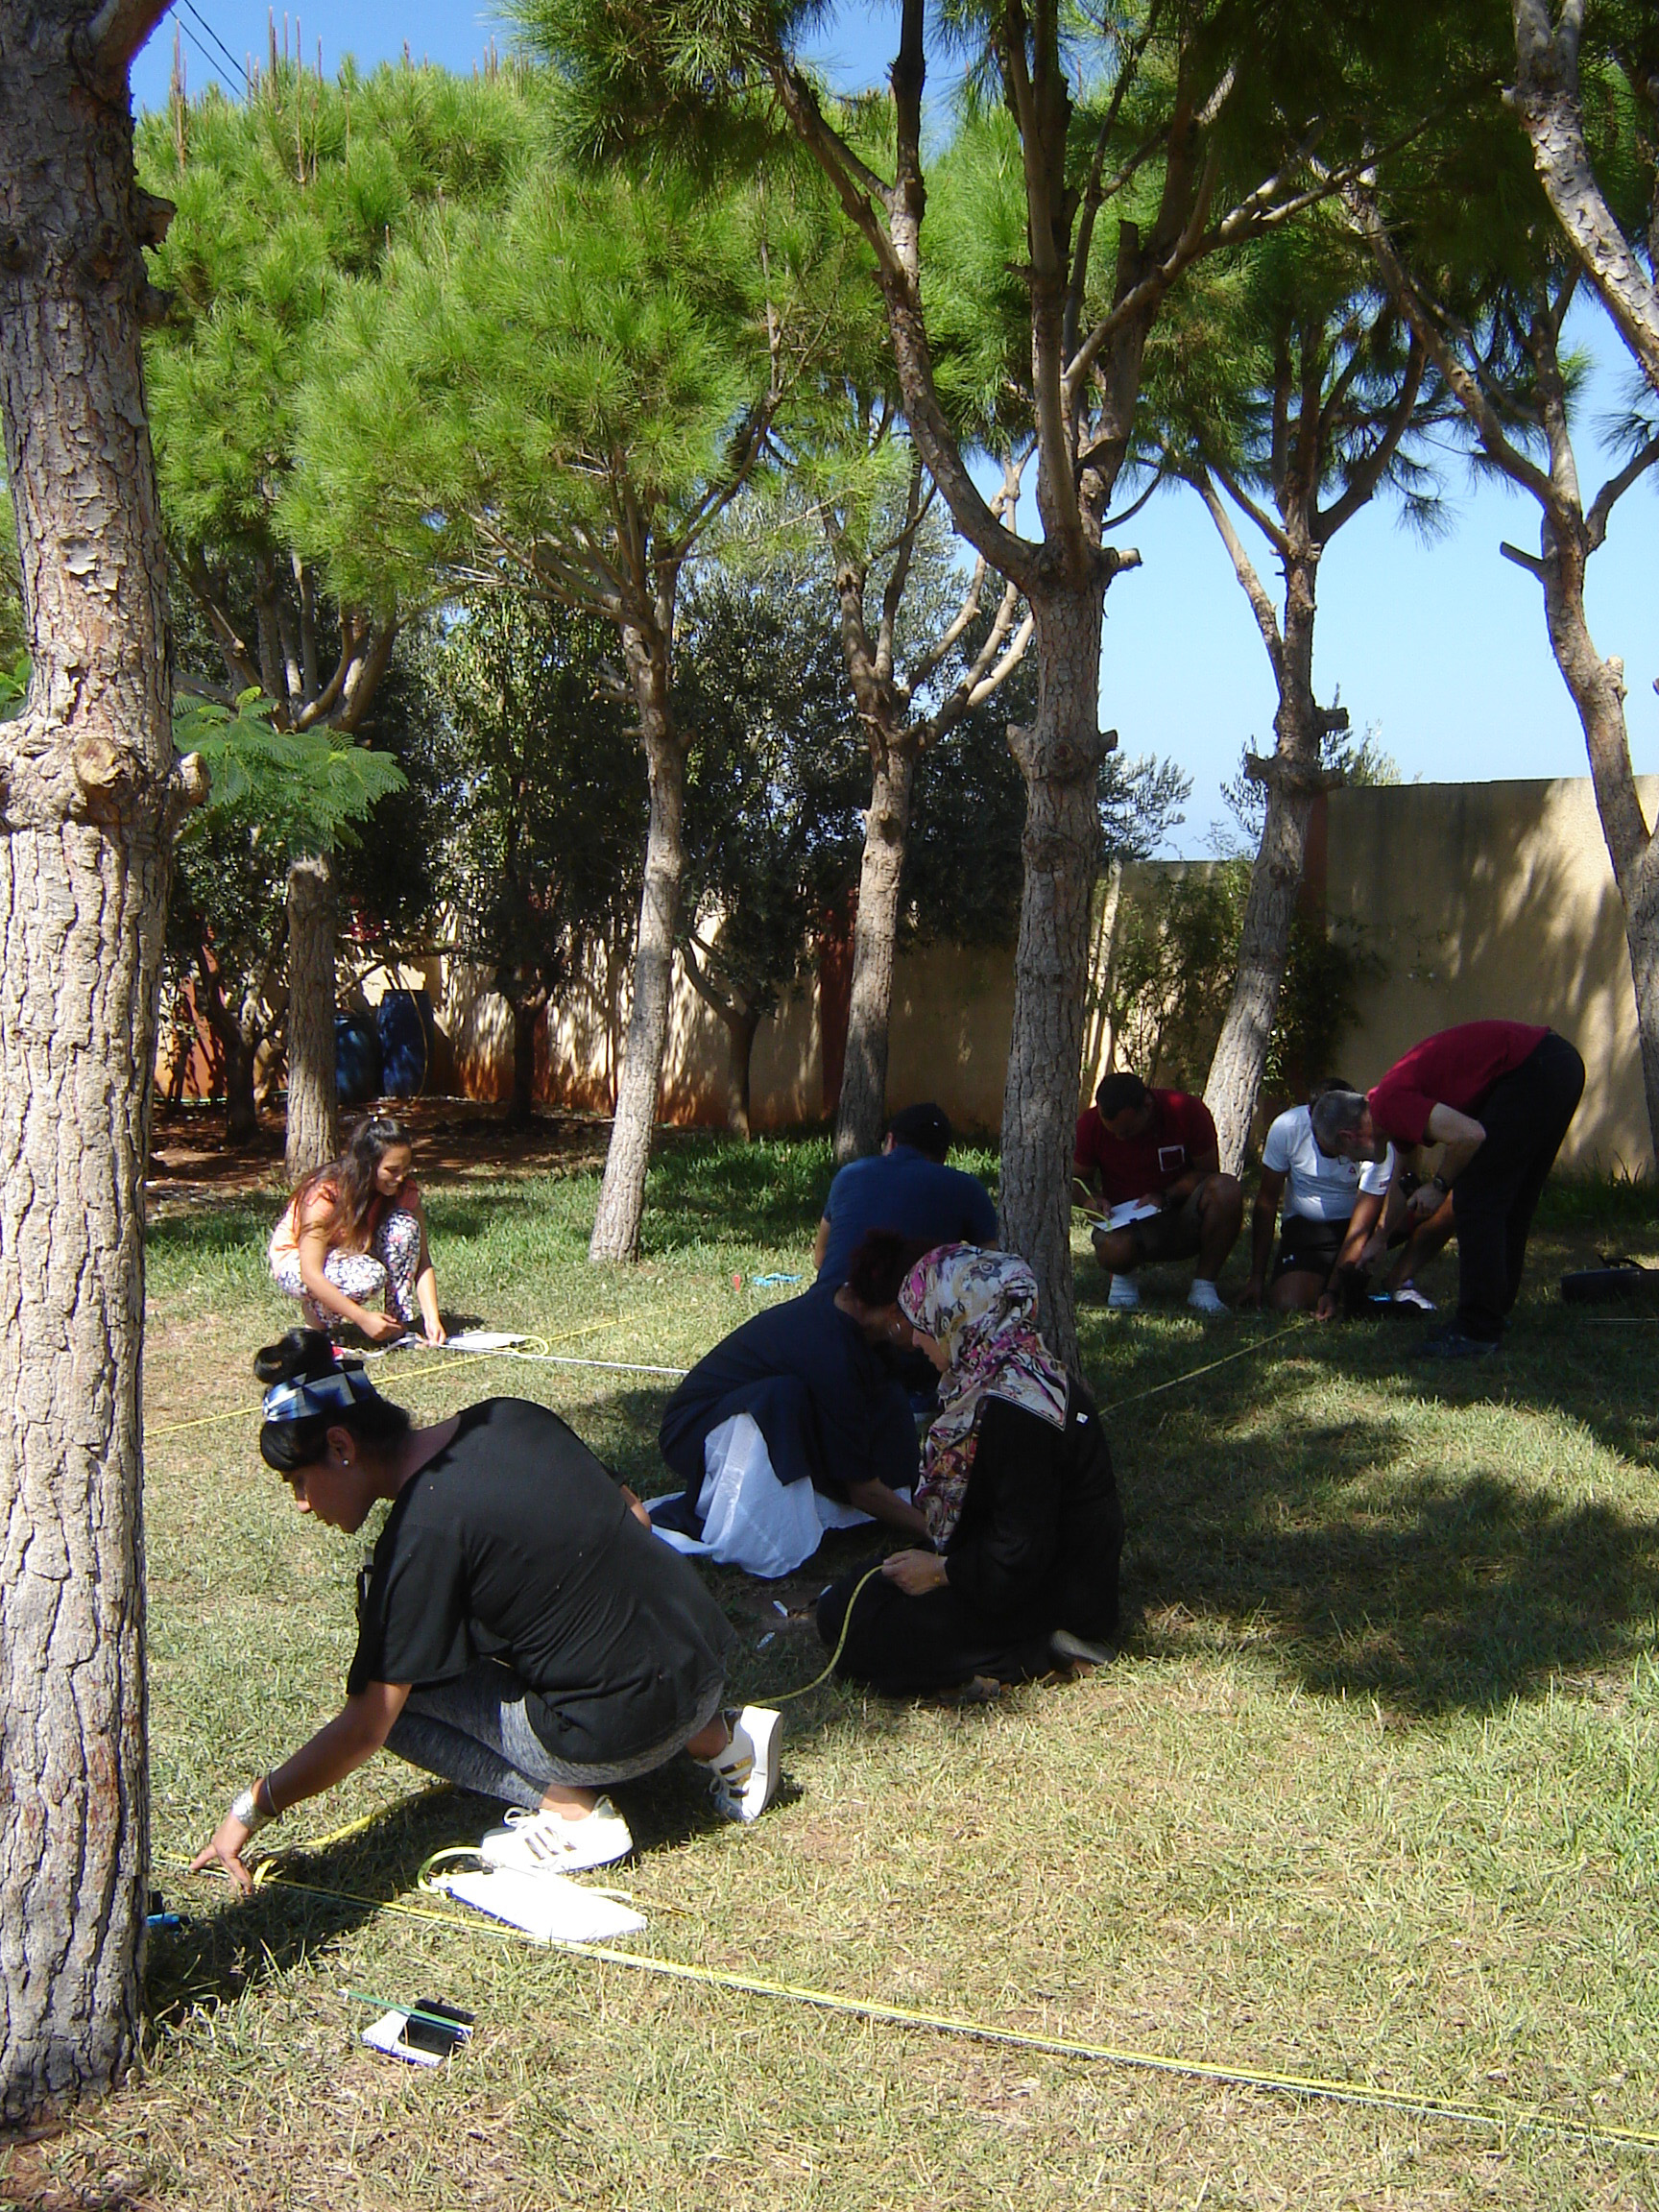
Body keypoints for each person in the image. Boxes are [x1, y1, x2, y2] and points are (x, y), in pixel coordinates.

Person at [191, 1331, 781, 1896]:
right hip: (699, 1664)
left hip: (623, 1730)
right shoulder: (507, 1415)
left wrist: (253, 1807)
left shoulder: (421, 1533)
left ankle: (571, 1813)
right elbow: (638, 1520)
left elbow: (365, 1728)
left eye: (298, 1481)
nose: (300, 1504)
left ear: (341, 1448)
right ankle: (722, 1738)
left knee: (400, 1700)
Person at [816, 1244, 1123, 1694]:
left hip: (1054, 1592)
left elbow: (1021, 1549)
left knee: (868, 1637)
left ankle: (1043, 1652)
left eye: (926, 1325)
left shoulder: (1019, 1409)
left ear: (962, 1321)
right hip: (1012, 1572)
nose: (918, 1341)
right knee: (848, 1600)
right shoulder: (1000, 1377)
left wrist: (943, 1572)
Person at [1310, 1021, 1585, 1358]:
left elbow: (1470, 1136)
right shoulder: (1386, 1110)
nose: (1348, 1162)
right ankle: (1493, 1314)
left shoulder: (1391, 1103)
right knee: (1509, 1202)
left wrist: (1439, 1186)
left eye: (1342, 1155)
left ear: (1348, 1137)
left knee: (1475, 1200)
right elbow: (1403, 1177)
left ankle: (1476, 1331)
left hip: (1535, 1068)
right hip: (1558, 1064)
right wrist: (1380, 1240)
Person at [659, 1233, 930, 1541]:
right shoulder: (831, 1352)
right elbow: (860, 1488)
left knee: (885, 1394)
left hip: (754, 1399)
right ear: (895, 1313)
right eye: (925, 1320)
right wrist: (933, 1533)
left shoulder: (853, 1314)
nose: (928, 1332)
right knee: (782, 1397)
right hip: (693, 1427)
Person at [269, 1112, 445, 1346]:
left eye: (405, 1168)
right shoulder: (326, 1193)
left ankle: (395, 1324)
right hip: (297, 1263)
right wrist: (362, 1319)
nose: (400, 1178)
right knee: (369, 1276)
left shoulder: (404, 1191)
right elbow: (310, 1273)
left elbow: (422, 1260)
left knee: (406, 1226)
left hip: (349, 1254)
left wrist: (432, 1319)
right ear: (367, 1166)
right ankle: (318, 1324)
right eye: (391, 1170)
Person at [1074, 1070, 1242, 1314]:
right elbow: (1079, 1178)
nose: (1120, 1138)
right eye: (1113, 1132)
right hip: (1124, 1223)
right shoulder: (1089, 1124)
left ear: (1148, 1105)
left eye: (1128, 1130)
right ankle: (1123, 1278)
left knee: (1227, 1189)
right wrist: (1090, 1200)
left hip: (1180, 1212)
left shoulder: (1187, 1111)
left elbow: (1208, 1173)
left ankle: (1203, 1287)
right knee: (1114, 1248)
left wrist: (1166, 1195)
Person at [1242, 1078, 1397, 1316]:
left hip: (1355, 1227)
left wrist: (1332, 1292)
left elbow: (1360, 1228)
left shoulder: (1374, 1146)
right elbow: (1266, 1201)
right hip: (1308, 1230)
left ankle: (1397, 1283)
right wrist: (1256, 1277)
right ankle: (1326, 1276)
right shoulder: (1288, 1127)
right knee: (1288, 1302)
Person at [811, 1102, 998, 1295]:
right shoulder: (967, 1188)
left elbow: (820, 1257)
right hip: (905, 1316)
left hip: (824, 1307)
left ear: (891, 1141)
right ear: (943, 1157)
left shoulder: (848, 1175)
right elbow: (993, 1267)